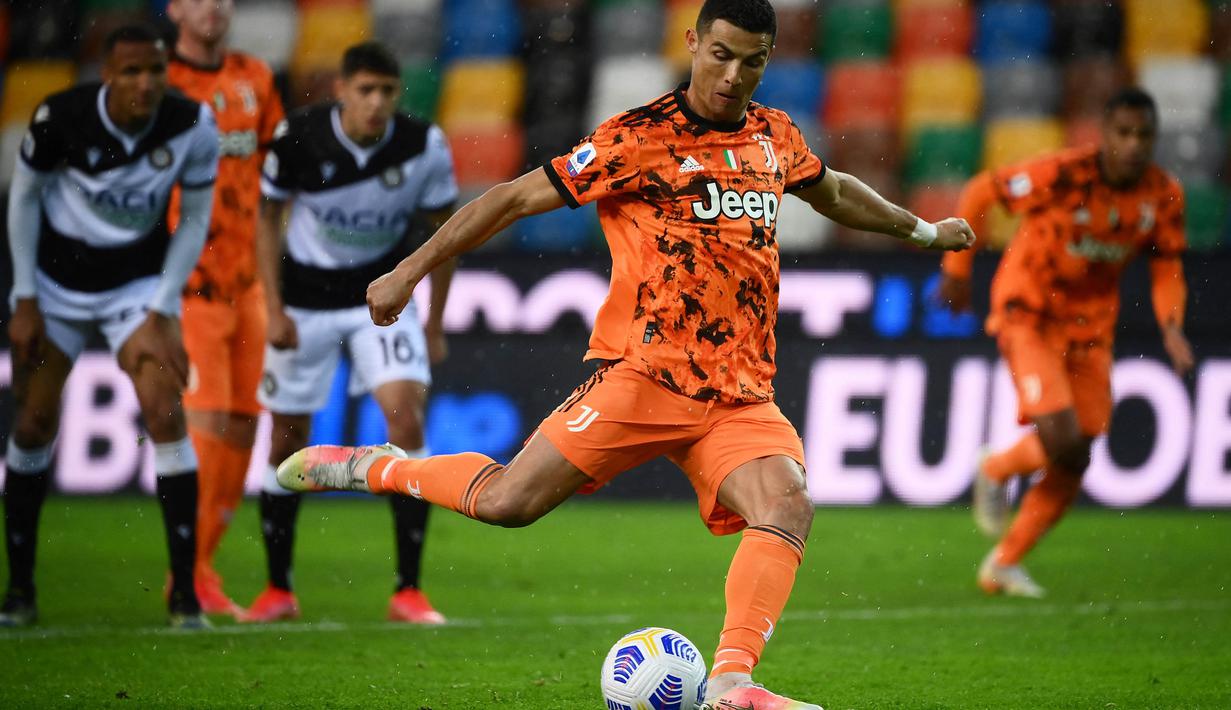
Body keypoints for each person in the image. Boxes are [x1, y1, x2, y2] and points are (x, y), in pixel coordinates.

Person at [277, 1, 973, 707]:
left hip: (739, 394)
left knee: (786, 505)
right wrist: (409, 270)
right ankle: (377, 467)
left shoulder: (773, 136)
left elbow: (830, 191)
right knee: (507, 503)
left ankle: (732, 682)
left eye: (753, 61)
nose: (734, 75)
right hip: (644, 378)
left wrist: (920, 231)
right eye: (721, 54)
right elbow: (514, 198)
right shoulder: (638, 139)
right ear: (693, 42)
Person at [2, 24, 219, 628]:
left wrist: (164, 308)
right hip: (55, 288)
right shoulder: (59, 117)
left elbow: (193, 219)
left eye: (155, 70)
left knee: (165, 411)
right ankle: (19, 591)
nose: (145, 83)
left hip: (136, 290)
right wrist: (23, 298)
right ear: (107, 74)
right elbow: (22, 199)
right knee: (34, 420)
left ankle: (185, 596)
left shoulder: (192, 125)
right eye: (131, 72)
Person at [940, 87, 1193, 598]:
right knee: (1062, 438)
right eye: (1123, 133)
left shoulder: (1162, 195)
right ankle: (998, 472)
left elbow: (1167, 264)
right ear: (1104, 134)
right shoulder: (1063, 173)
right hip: (1028, 311)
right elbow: (980, 192)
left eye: (1144, 135)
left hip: (1091, 329)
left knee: (1077, 454)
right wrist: (957, 268)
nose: (1133, 145)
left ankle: (1002, 558)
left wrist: (1170, 325)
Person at [245, 41, 457, 624]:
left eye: (387, 91)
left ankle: (408, 590)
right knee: (287, 438)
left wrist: (435, 321)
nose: (377, 102)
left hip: (381, 301)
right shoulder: (298, 136)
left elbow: (448, 235)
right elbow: (265, 221)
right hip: (304, 303)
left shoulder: (423, 145)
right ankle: (277, 588)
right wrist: (272, 309)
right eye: (365, 90)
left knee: (407, 418)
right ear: (342, 90)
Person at [165, 0, 286, 618]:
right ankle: (187, 573)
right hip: (190, 286)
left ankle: (202, 567)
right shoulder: (157, 83)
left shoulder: (256, 80)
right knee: (206, 422)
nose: (213, 6)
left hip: (251, 286)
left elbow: (277, 181)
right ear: (174, 9)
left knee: (243, 425)